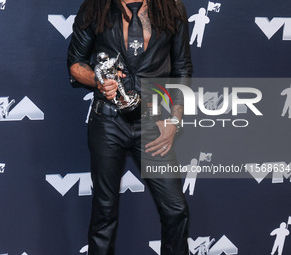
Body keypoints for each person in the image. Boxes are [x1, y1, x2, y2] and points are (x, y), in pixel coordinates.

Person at [67, 0, 192, 254]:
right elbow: (75, 62)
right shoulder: (95, 6)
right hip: (108, 122)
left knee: (176, 209)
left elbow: (182, 68)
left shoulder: (171, 7)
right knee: (104, 212)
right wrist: (97, 79)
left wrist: (175, 120)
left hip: (154, 123)